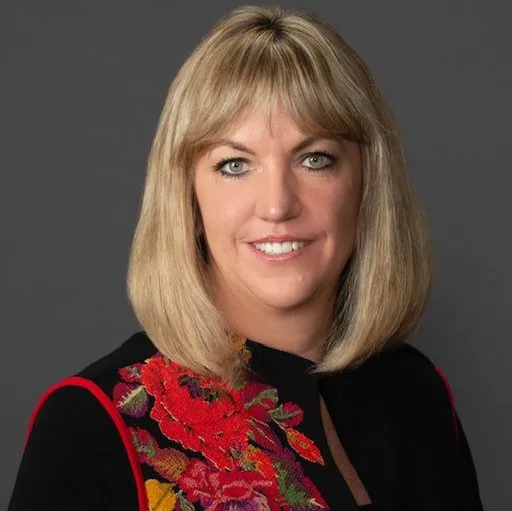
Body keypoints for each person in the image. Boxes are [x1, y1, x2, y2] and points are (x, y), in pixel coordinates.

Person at [8, 5, 484, 511]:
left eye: (315, 159)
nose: (277, 205)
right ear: (187, 198)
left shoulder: (415, 392)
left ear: (367, 184)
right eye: (235, 165)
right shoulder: (93, 425)